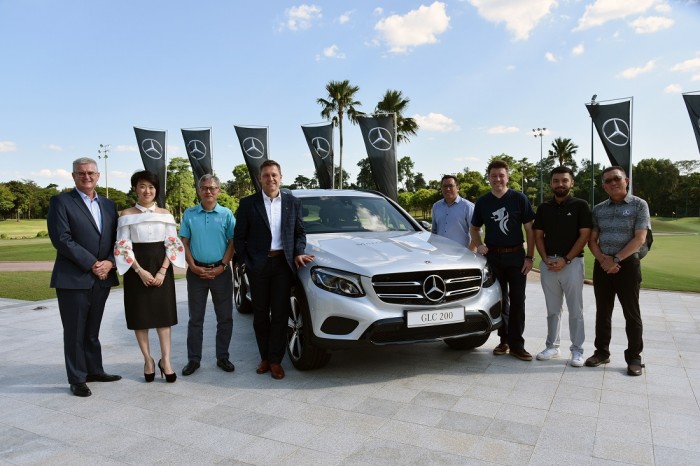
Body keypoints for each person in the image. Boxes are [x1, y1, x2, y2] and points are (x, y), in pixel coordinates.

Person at [234, 160, 314, 380]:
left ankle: (276, 360)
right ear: (260, 178)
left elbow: (300, 233)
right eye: (266, 175)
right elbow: (239, 237)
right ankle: (265, 358)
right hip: (258, 266)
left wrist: (298, 252)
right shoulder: (248, 203)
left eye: (274, 175)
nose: (270, 179)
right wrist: (246, 262)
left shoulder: (292, 203)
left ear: (280, 177)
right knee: (260, 314)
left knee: (280, 314)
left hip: (282, 265)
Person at [48, 157, 121, 397]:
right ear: (73, 176)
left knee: (92, 330)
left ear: (98, 176)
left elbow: (117, 239)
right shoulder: (61, 202)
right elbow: (62, 239)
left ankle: (94, 370)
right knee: (75, 331)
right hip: (73, 278)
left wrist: (110, 262)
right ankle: (77, 378)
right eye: (81, 173)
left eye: (91, 173)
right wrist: (92, 263)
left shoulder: (109, 205)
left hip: (102, 277)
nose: (86, 176)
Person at [113, 170, 185, 383]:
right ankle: (148, 360)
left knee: (164, 317)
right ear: (135, 189)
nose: (147, 191)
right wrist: (139, 270)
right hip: (136, 270)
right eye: (142, 186)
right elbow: (122, 246)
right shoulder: (126, 215)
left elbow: (172, 244)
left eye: (151, 187)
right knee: (140, 318)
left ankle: (166, 361)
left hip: (162, 268)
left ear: (156, 190)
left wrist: (162, 270)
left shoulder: (165, 214)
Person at [586, 166, 650, 376]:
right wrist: (604, 260)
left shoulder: (639, 205)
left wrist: (616, 259)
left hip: (628, 265)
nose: (613, 183)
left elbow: (640, 238)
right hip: (603, 265)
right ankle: (601, 352)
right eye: (608, 181)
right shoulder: (599, 209)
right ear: (604, 186)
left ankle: (634, 357)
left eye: (616, 179)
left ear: (626, 180)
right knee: (603, 312)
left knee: (631, 313)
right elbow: (592, 240)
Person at [470, 160, 536, 361]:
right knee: (500, 300)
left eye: (501, 175)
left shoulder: (519, 199)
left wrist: (530, 257)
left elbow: (530, 229)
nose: (497, 179)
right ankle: (504, 340)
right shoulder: (483, 202)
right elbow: (474, 228)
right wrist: (479, 244)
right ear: (488, 178)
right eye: (493, 176)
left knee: (518, 300)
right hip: (493, 258)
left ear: (507, 177)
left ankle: (517, 344)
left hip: (516, 257)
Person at [533, 166, 592, 367]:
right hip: (549, 263)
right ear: (550, 183)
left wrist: (566, 259)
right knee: (552, 310)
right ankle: (552, 346)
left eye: (564, 180)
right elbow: (538, 235)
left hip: (572, 264)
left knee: (575, 310)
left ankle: (577, 350)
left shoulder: (580, 205)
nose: (560, 184)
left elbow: (584, 235)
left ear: (571, 183)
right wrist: (545, 259)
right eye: (556, 181)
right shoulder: (544, 207)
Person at [179, 174, 235, 376]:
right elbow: (184, 242)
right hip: (196, 273)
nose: (208, 191)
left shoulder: (226, 214)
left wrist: (223, 265)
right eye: (204, 188)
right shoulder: (189, 214)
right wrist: (192, 266)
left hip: (221, 273)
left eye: (212, 188)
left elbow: (232, 242)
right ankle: (194, 360)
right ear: (199, 190)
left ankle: (223, 357)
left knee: (225, 318)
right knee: (195, 319)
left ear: (218, 191)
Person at [431, 174, 476, 250]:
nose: (447, 189)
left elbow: (476, 232)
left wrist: (469, 253)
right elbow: (434, 232)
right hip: (440, 252)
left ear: (457, 188)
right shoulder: (436, 206)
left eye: (450, 186)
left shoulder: (468, 207)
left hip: (461, 253)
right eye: (444, 186)